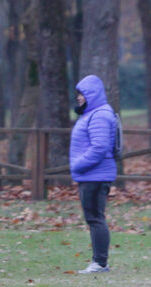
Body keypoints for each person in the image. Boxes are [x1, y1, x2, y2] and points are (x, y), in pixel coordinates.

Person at [70, 75, 117, 274]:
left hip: (94, 175)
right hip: (91, 174)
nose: (79, 97)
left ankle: (100, 263)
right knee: (94, 217)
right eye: (78, 94)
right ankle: (99, 262)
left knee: (95, 218)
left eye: (83, 94)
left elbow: (99, 147)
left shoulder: (99, 115)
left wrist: (78, 165)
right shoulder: (93, 113)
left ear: (93, 94)